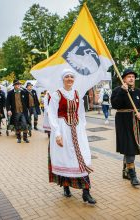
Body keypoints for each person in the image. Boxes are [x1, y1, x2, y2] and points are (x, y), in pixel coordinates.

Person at [48, 69, 96, 204]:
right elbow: (52, 114)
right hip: (63, 129)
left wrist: (82, 127)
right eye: (67, 77)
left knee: (82, 158)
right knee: (66, 158)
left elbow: (81, 112)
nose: (69, 79)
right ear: (62, 79)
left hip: (77, 129)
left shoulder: (77, 93)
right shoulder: (56, 94)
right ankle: (66, 186)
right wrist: (57, 133)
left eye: (71, 77)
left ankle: (86, 192)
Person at [111, 69, 140, 186]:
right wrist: (123, 91)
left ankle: (125, 170)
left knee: (130, 148)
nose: (131, 78)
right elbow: (115, 105)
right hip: (123, 123)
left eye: (133, 76)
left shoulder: (139, 92)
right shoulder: (117, 90)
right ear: (124, 79)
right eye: (128, 77)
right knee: (130, 149)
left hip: (135, 124)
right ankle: (133, 176)